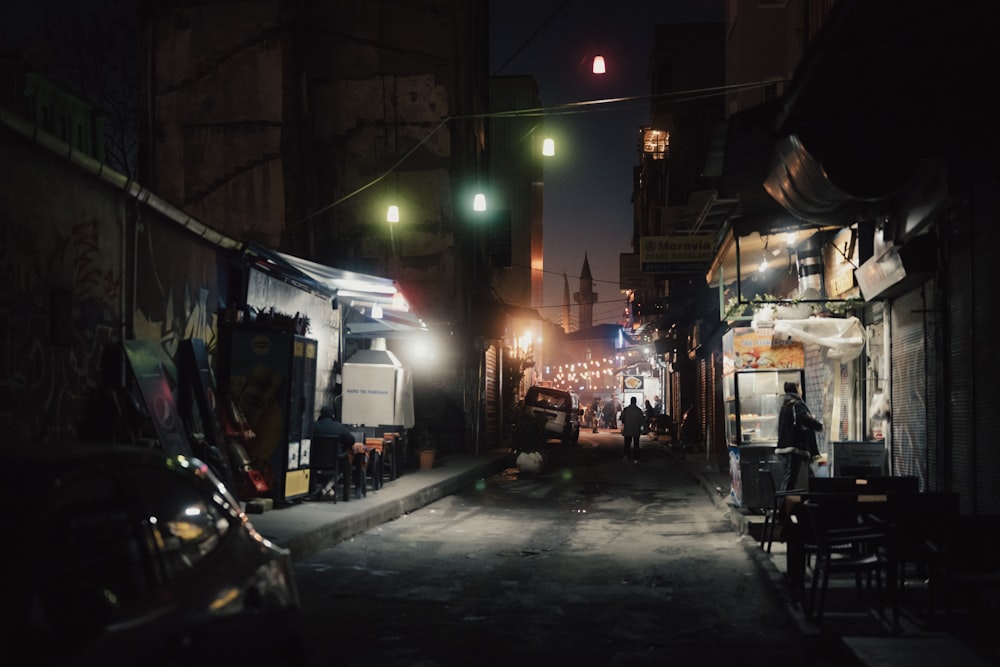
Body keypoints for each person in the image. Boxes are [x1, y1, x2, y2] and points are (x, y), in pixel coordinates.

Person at [775, 381, 823, 492]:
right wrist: (820, 426)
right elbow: (804, 419)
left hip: (786, 446)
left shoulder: (786, 404)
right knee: (790, 479)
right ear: (797, 389)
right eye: (800, 387)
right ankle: (784, 505)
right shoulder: (797, 404)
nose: (801, 390)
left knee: (790, 477)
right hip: (794, 447)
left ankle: (786, 502)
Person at [620, 396, 645, 464]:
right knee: (636, 445)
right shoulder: (639, 410)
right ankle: (636, 458)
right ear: (635, 401)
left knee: (627, 444)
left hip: (627, 430)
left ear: (630, 401)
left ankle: (626, 456)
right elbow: (642, 421)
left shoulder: (626, 410)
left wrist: (623, 425)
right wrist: (642, 429)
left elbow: (622, 418)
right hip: (636, 430)